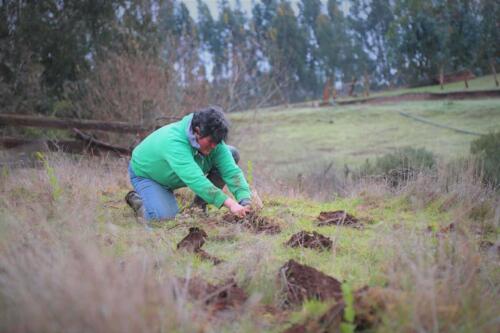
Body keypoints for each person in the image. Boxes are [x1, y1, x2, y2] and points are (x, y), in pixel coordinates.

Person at [126, 106, 252, 223]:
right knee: (163, 219)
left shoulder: (214, 141)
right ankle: (140, 203)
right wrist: (230, 204)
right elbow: (196, 180)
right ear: (197, 131)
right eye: (211, 141)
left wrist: (245, 200)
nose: (214, 146)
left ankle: (198, 208)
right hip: (148, 175)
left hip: (173, 174)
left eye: (218, 142)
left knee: (232, 153)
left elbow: (231, 172)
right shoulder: (174, 142)